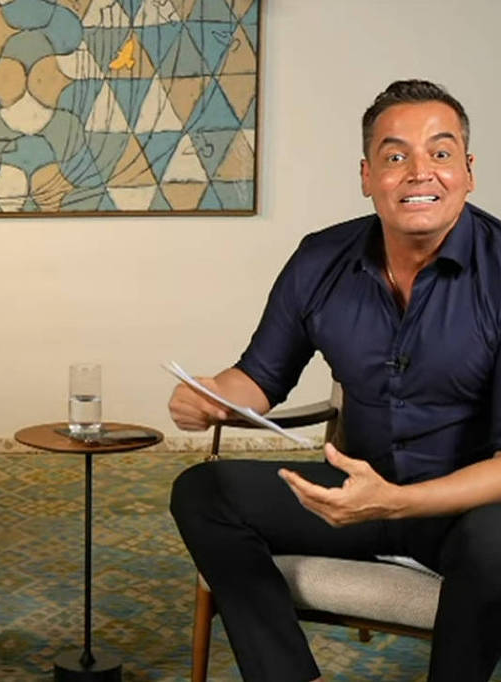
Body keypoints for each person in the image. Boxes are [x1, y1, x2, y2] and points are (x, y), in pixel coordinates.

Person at [168, 79, 501, 681]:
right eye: (395, 156)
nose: (419, 172)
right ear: (368, 175)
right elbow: (258, 378)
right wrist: (210, 397)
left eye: (441, 153)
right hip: (358, 495)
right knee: (203, 493)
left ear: (469, 172)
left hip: (467, 509)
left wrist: (402, 501)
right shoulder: (321, 260)